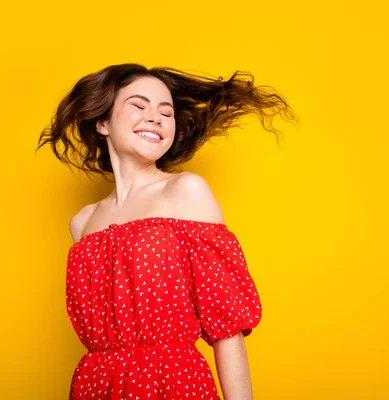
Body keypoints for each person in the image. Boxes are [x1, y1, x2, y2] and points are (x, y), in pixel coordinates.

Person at [37, 63, 298, 400]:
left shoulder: (186, 191)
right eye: (138, 105)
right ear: (102, 122)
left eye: (166, 112)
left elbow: (226, 327)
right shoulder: (82, 223)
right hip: (97, 387)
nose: (156, 118)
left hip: (171, 384)